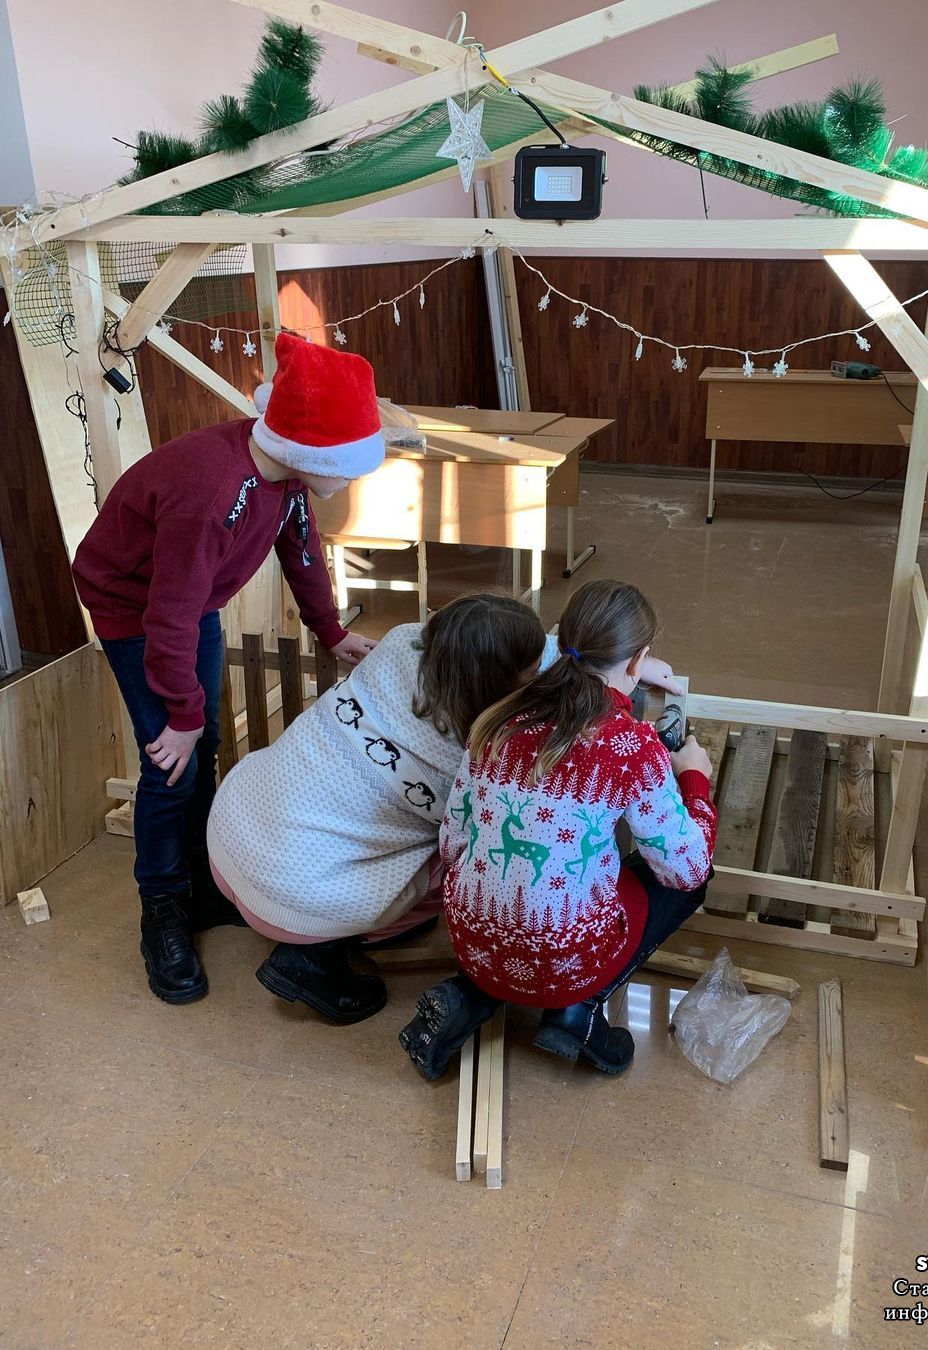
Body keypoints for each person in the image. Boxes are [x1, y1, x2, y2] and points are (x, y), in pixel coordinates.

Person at [72, 332, 383, 1006]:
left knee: (205, 741)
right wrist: (180, 714)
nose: (353, 481)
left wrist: (331, 631)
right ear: (313, 451)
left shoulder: (286, 476)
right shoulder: (211, 495)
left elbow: (302, 550)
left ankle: (200, 882)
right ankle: (162, 912)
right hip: (134, 604)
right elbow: (168, 618)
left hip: (187, 597)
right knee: (171, 763)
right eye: (349, 465)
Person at [206, 592, 683, 1026]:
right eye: (531, 672)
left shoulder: (401, 643)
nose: (540, 676)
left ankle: (332, 930)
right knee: (462, 852)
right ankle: (319, 956)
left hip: (230, 831)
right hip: (288, 898)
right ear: (500, 684)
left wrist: (611, 660)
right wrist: (616, 672)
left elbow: (495, 646)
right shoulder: (474, 750)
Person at [399, 579, 716, 1081]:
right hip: (564, 961)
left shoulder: (499, 717)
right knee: (684, 878)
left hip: (473, 942)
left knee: (529, 888)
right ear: (638, 661)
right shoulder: (633, 746)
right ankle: (576, 1009)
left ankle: (471, 992)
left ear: (561, 640)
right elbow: (688, 868)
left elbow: (453, 842)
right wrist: (694, 780)